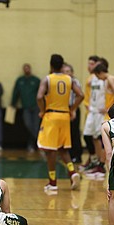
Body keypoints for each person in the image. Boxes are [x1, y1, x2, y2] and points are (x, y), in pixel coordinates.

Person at [37, 54, 83, 191]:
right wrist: (72, 109)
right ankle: (73, 173)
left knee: (50, 151)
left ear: (51, 66)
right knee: (63, 149)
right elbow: (81, 95)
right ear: (62, 66)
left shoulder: (48, 79)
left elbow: (39, 96)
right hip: (65, 116)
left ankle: (52, 182)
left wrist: (42, 110)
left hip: (51, 115)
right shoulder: (69, 79)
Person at [82, 58, 114, 178]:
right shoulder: (106, 79)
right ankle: (98, 164)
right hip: (97, 111)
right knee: (96, 138)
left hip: (105, 113)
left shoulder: (109, 79)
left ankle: (101, 165)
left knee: (104, 140)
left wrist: (112, 108)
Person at [11, 63, 40, 152]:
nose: (27, 70)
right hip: (26, 107)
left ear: (30, 69)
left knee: (36, 126)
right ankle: (39, 143)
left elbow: (41, 93)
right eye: (25, 68)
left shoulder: (36, 80)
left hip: (36, 107)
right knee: (28, 125)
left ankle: (33, 145)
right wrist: (13, 104)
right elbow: (16, 93)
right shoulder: (20, 80)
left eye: (28, 68)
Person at [62, 63, 83, 164]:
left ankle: (77, 155)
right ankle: (69, 155)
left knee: (74, 132)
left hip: (73, 108)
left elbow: (80, 96)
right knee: (67, 133)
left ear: (72, 72)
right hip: (64, 108)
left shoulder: (74, 82)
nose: (66, 73)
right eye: (64, 71)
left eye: (68, 71)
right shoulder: (62, 82)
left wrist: (73, 109)